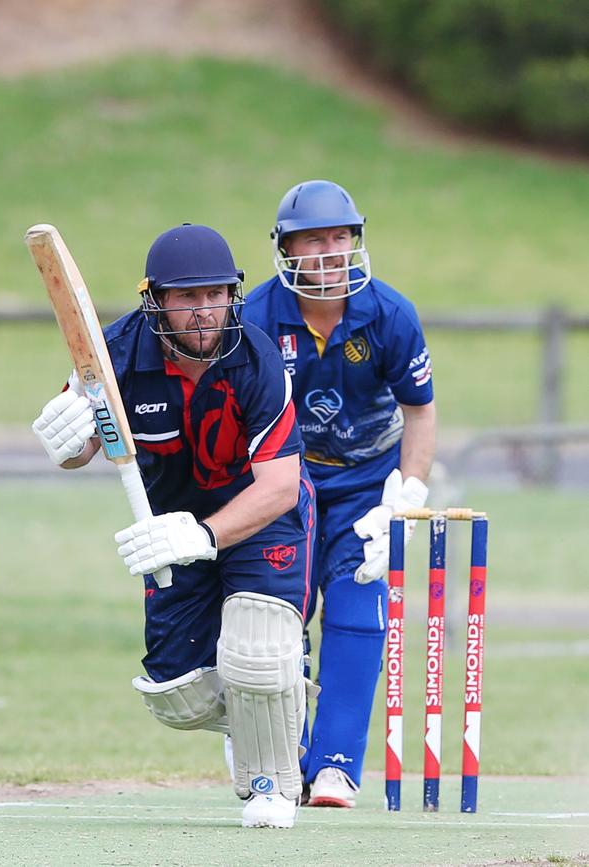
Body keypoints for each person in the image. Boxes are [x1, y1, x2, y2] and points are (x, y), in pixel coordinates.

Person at [32, 223, 316, 829]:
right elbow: (87, 442)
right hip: (169, 523)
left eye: (215, 294)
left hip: (257, 517)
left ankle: (270, 781)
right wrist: (67, 440)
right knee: (175, 694)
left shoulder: (258, 357)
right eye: (188, 297)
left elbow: (280, 485)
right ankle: (266, 701)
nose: (205, 310)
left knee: (257, 648)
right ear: (155, 298)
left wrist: (206, 536)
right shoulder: (114, 356)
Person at [242, 180, 436, 808]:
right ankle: (281, 759)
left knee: (357, 609)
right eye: (313, 240)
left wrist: (406, 495)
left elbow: (421, 412)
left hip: (364, 486)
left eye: (340, 238)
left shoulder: (389, 314)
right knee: (278, 620)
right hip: (282, 483)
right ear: (286, 248)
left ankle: (335, 766)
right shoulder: (255, 317)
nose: (330, 252)